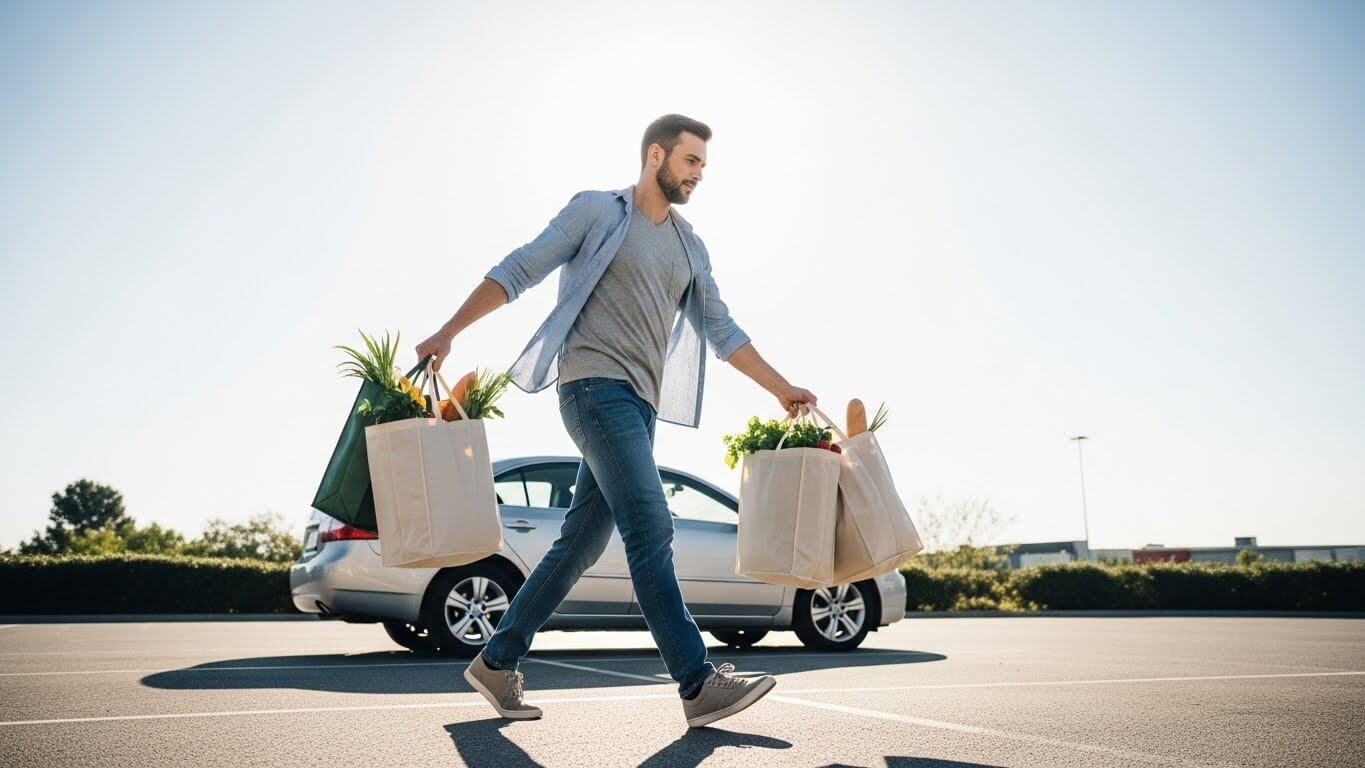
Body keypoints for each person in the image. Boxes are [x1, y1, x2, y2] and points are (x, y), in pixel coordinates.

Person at [416, 114, 818, 728]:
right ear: (655, 155)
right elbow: (521, 268)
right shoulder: (599, 212)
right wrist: (449, 330)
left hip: (640, 406)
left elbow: (722, 330)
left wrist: (781, 387)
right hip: (592, 390)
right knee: (651, 525)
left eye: (703, 166)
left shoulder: (689, 246)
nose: (698, 175)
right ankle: (696, 681)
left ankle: (497, 661)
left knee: (581, 543)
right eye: (689, 162)